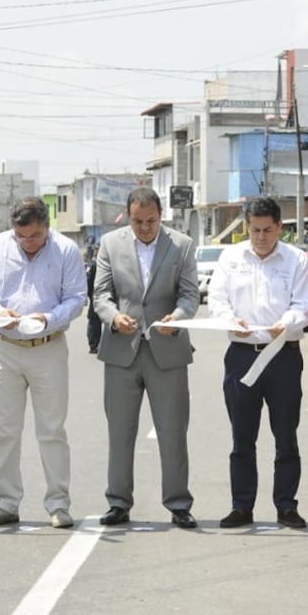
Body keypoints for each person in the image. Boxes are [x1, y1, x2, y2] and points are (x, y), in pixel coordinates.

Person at [0, 197, 86, 529]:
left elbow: (77, 298)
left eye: (34, 236)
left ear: (46, 228)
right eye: (21, 237)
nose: (27, 243)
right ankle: (6, 502)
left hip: (47, 345)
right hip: (5, 346)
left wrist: (49, 318)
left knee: (51, 429)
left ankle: (58, 504)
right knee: (4, 431)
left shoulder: (65, 250)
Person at [93, 186, 200, 529]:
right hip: (121, 350)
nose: (144, 228)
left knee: (173, 431)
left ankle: (179, 503)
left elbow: (189, 295)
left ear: (161, 215)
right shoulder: (111, 244)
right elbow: (100, 295)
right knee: (120, 431)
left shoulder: (180, 245)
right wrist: (113, 317)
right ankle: (118, 502)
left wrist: (178, 318)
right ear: (128, 217)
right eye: (138, 221)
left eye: (151, 221)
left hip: (166, 349)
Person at [207, 197, 308, 529]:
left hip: (282, 356)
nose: (262, 237)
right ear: (246, 228)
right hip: (241, 355)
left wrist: (288, 322)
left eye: (268, 230)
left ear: (280, 227)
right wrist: (229, 319)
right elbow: (217, 300)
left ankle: (286, 505)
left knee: (286, 435)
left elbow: (303, 305)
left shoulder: (295, 259)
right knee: (242, 438)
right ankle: (242, 506)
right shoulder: (231, 257)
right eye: (255, 230)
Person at [85, 246, 101, 354]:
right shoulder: (93, 265)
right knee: (94, 321)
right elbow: (88, 280)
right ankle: (93, 345)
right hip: (96, 296)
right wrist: (89, 295)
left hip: (107, 295)